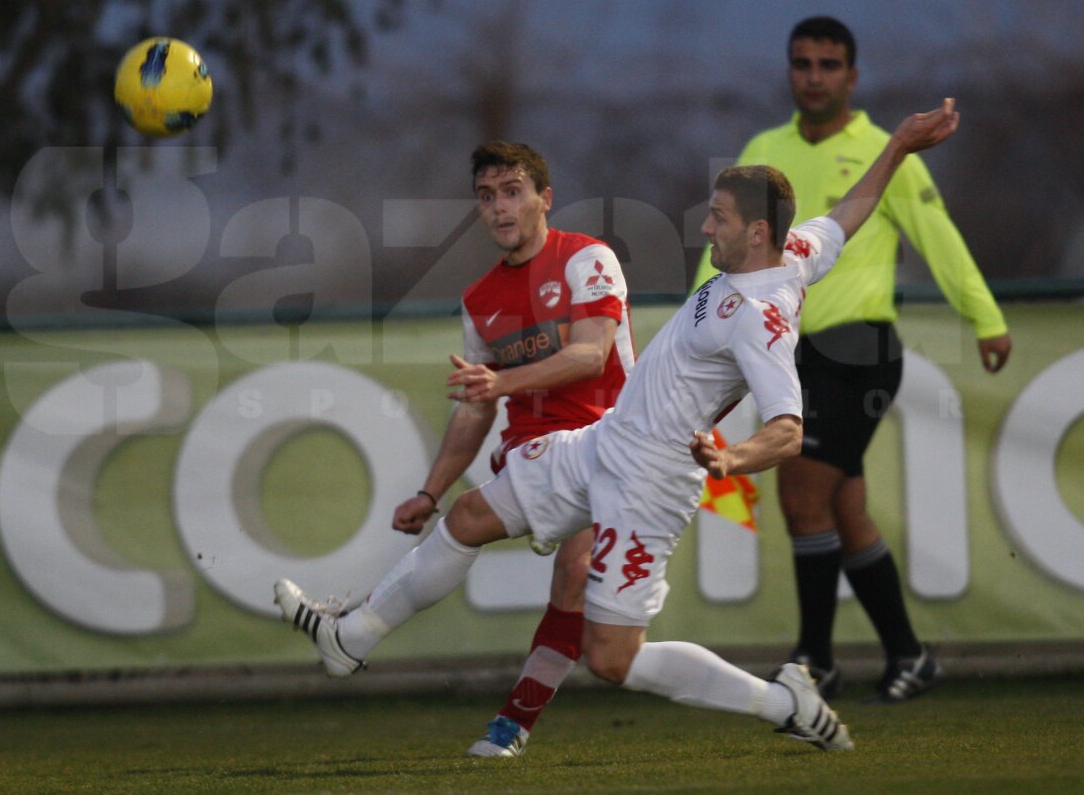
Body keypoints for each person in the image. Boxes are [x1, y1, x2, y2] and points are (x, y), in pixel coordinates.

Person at [275, 98, 961, 756]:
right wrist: (897, 145)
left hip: (652, 482)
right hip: (603, 443)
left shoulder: (763, 316)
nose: (705, 228)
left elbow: (786, 428)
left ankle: (787, 705)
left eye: (717, 218)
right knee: (470, 515)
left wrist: (733, 460)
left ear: (754, 232)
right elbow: (849, 212)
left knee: (612, 658)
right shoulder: (793, 249)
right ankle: (350, 638)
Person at [690, 17, 1011, 703]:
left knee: (801, 489)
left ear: (851, 76)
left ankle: (816, 660)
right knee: (846, 509)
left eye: (829, 64)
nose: (815, 75)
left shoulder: (882, 154)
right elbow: (721, 247)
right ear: (789, 71)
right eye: (803, 63)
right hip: (793, 353)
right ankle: (909, 654)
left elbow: (941, 239)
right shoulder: (763, 151)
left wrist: (985, 318)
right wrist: (696, 330)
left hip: (860, 349)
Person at [389, 141, 636, 758]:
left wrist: (500, 382)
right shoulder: (478, 302)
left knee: (580, 591)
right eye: (486, 196)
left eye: (513, 191)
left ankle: (511, 723)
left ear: (544, 199)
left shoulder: (587, 258)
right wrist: (429, 490)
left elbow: (592, 355)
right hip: (542, 456)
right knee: (591, 622)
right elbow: (475, 407)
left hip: (620, 445)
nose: (500, 208)